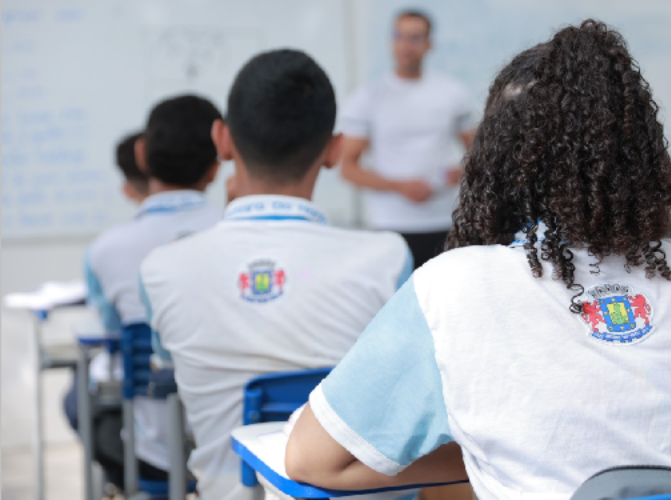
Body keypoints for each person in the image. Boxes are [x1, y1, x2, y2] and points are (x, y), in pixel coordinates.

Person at [285, 20, 671, 500]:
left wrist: (481, 452)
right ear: (640, 153)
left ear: (497, 158)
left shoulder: (454, 286)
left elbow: (310, 460)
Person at [139, 50, 414, 500]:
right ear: (334, 150)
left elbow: (165, 363)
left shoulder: (160, 269)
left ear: (222, 140)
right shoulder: (387, 259)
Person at [83, 95, 222, 487]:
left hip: (153, 451)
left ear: (140, 155)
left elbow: (112, 336)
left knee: (81, 401)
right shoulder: (244, 235)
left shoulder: (104, 250)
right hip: (236, 451)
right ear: (218, 163)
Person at [341, 10, 475, 268]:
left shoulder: (452, 93)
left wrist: (461, 172)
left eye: (415, 38)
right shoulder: (367, 97)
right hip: (390, 224)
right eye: (399, 36)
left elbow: (478, 154)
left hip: (444, 220)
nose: (405, 45)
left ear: (429, 44)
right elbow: (348, 168)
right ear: (391, 40)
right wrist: (399, 186)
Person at [63, 131, 149, 432]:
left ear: (127, 189)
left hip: (140, 393)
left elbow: (110, 325)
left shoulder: (103, 249)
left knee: (78, 398)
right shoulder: (220, 230)